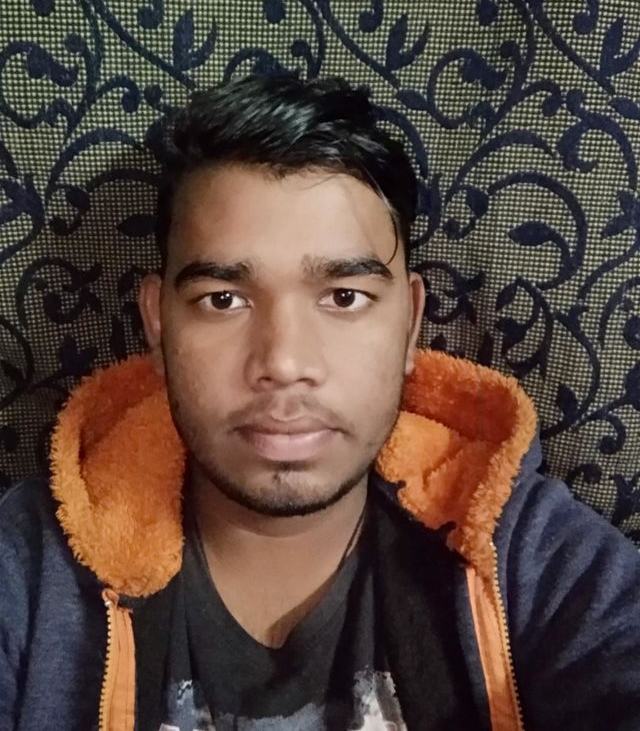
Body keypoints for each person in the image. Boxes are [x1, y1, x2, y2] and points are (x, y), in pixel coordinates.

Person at [1, 75, 640, 731]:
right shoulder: (28, 564)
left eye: (343, 297)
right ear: (158, 326)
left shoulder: (524, 550)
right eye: (223, 299)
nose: (284, 363)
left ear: (410, 324)